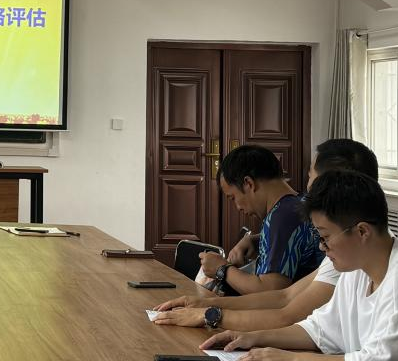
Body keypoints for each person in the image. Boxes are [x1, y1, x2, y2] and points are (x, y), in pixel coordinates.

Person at [202, 170, 398, 361]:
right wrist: (254, 337)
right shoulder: (356, 268)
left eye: (325, 237)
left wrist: (293, 360)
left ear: (362, 231)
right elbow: (321, 329)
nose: (321, 247)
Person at [154, 139, 378, 330]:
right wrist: (207, 305)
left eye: (311, 176)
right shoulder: (295, 212)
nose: (308, 184)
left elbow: (278, 297)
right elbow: (285, 297)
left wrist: (222, 274)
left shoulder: (285, 216)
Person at [196, 145, 323, 296]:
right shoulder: (298, 203)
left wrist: (222, 269)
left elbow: (270, 291)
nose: (238, 207)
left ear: (248, 183)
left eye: (233, 197)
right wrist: (255, 240)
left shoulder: (281, 217)